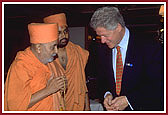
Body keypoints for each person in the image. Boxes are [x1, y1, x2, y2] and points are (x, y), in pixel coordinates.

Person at [87, 6, 164, 111]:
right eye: (100, 36)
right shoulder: (101, 49)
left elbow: (159, 85)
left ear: (118, 27)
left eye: (105, 35)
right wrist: (107, 94)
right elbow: (102, 80)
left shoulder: (150, 47)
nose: (102, 41)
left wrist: (129, 100)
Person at [4, 23, 69, 111]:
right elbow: (16, 106)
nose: (56, 51)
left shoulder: (49, 62)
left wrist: (61, 83)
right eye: (52, 47)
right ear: (38, 47)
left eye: (56, 46)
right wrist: (49, 90)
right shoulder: (21, 66)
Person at [43, 13, 90, 110]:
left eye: (65, 31)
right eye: (59, 33)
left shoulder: (78, 52)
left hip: (78, 106)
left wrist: (87, 108)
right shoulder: (45, 57)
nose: (64, 35)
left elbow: (82, 85)